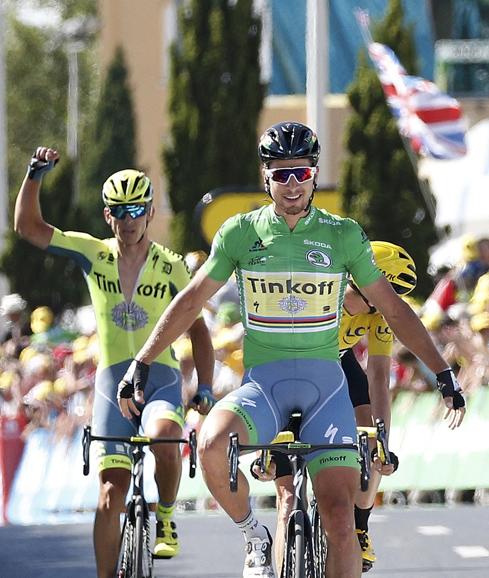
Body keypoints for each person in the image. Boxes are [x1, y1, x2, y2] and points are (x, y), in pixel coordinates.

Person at [117, 121, 466, 578]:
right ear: (266, 177)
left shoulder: (343, 235)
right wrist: (141, 361)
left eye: (301, 172)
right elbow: (191, 301)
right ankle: (253, 536)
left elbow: (395, 310)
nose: (292, 184)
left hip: (327, 392)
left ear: (314, 174)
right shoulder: (239, 233)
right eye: (281, 174)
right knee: (210, 444)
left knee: (340, 519)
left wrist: (443, 373)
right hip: (263, 388)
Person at [14, 148, 215, 578]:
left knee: (165, 436)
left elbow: (199, 331)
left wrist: (205, 386)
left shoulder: (172, 266)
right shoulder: (93, 253)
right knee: (109, 495)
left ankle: (165, 516)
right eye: (120, 211)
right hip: (111, 384)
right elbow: (28, 228)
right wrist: (34, 176)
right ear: (108, 216)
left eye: (137, 210)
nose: (129, 220)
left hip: (160, 378)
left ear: (151, 212)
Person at [251, 241, 418, 574]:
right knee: (286, 500)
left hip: (339, 367)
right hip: (285, 370)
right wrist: (263, 441)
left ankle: (360, 524)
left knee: (370, 437)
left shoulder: (379, 315)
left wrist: (381, 441)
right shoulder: (319, 292)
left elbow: (378, 376)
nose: (390, 305)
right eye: (390, 293)